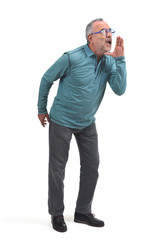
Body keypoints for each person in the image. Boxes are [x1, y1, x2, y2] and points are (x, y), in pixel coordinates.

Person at [37, 18, 127, 232]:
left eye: (110, 30)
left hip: (87, 123)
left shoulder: (109, 61)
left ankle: (83, 212)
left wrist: (121, 60)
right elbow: (46, 78)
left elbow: (120, 89)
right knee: (57, 169)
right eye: (103, 31)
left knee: (92, 168)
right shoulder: (71, 58)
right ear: (90, 38)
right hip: (62, 121)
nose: (109, 35)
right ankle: (57, 214)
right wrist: (42, 109)